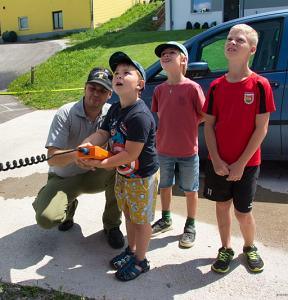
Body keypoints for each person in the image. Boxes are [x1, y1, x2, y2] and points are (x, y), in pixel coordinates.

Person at [79, 52, 159, 281]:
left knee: (141, 220)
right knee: (128, 214)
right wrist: (88, 143)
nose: (119, 76)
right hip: (123, 174)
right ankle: (131, 250)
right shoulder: (114, 109)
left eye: (127, 73)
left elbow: (131, 154)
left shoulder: (140, 116)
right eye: (116, 73)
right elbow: (103, 132)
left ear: (140, 85)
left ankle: (142, 261)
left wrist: (103, 163)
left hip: (141, 177)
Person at [202, 24, 275, 273]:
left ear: (252, 49)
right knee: (222, 207)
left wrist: (241, 163)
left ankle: (249, 246)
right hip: (219, 162)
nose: (232, 42)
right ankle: (225, 248)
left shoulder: (260, 85)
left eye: (240, 40)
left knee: (243, 211)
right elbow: (209, 126)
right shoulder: (215, 86)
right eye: (229, 39)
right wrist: (217, 160)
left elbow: (261, 128)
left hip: (248, 163)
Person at [32, 67, 124, 249]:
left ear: (109, 94)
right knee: (46, 219)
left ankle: (112, 225)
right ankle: (65, 206)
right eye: (92, 88)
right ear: (84, 88)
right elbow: (52, 158)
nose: (96, 94)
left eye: (102, 90)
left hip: (97, 173)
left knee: (122, 170)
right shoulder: (65, 113)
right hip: (65, 176)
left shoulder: (113, 113)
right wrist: (77, 155)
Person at [151, 41, 205, 248]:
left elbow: (204, 114)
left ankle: (190, 225)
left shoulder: (193, 88)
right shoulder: (159, 90)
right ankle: (166, 219)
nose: (165, 56)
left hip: (188, 151)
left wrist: (189, 124)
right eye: (163, 54)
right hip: (163, 150)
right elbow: (160, 115)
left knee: (191, 189)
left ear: (184, 60)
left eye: (171, 53)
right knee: (164, 186)